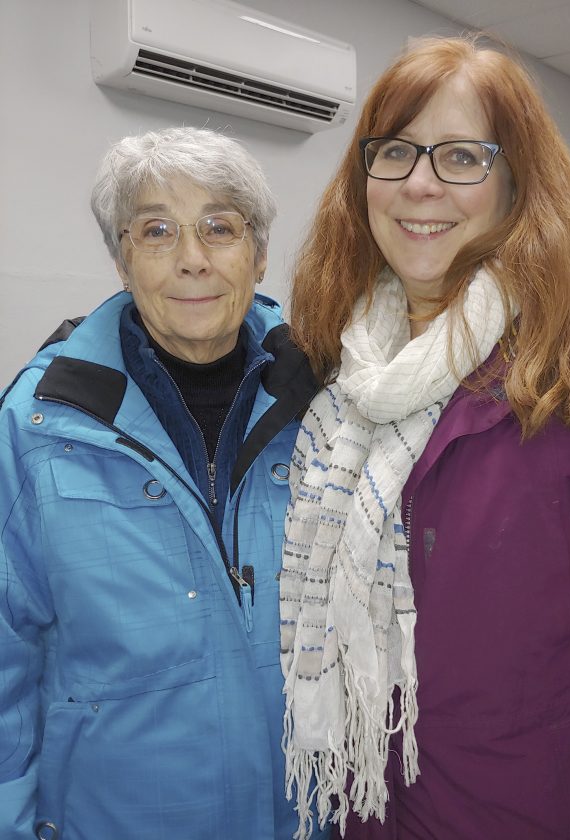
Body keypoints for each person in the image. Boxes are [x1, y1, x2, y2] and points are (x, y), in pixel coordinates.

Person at [280, 34, 570, 840]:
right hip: (360, 810)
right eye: (396, 151)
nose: (420, 184)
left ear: (517, 184)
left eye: (463, 157)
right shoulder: (333, 369)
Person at [0, 127, 329, 840]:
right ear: (122, 261)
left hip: (306, 818)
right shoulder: (37, 426)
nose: (192, 258)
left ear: (259, 253)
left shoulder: (326, 408)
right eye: (156, 231)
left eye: (220, 227)